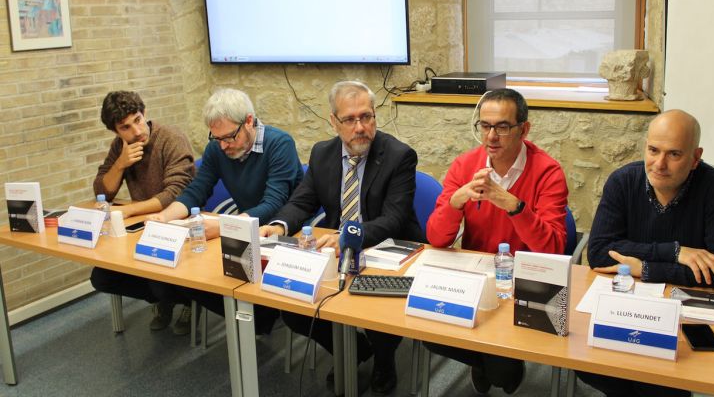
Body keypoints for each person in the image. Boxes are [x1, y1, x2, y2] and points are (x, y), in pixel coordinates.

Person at [259, 80, 425, 394]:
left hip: (390, 250)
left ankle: (383, 359)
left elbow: (393, 219)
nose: (360, 127)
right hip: (337, 251)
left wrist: (349, 236)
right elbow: (302, 201)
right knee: (295, 310)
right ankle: (351, 350)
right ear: (334, 122)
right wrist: (279, 226)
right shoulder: (323, 153)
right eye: (350, 119)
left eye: (367, 116)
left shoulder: (399, 155)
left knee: (374, 311)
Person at [578, 109, 714, 397]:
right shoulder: (623, 182)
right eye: (653, 150)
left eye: (674, 154)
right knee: (589, 362)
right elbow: (599, 252)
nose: (659, 164)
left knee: (666, 380)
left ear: (695, 158)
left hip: (681, 314)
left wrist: (644, 268)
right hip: (627, 303)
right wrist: (675, 252)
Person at [425, 88, 569, 395]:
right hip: (477, 276)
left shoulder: (548, 171)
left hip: (526, 281)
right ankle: (487, 358)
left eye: (502, 127)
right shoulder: (465, 165)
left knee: (503, 374)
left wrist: (514, 206)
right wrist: (457, 201)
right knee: (428, 331)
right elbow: (436, 237)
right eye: (485, 126)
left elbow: (554, 248)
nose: (491, 136)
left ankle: (496, 360)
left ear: (523, 129)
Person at [149, 88, 304, 335]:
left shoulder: (279, 143)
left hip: (283, 229)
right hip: (244, 229)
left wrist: (224, 226)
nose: (223, 145)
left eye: (229, 137)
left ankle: (264, 317)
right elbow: (196, 191)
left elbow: (274, 203)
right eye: (216, 138)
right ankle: (255, 317)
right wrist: (163, 217)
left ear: (249, 122)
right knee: (189, 277)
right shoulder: (217, 149)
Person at [90, 90, 195, 332]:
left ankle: (188, 300)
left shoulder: (171, 138)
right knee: (101, 278)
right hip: (142, 226)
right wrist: (120, 164)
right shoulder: (120, 147)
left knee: (158, 281)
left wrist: (129, 211)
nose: (136, 132)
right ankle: (163, 298)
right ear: (116, 131)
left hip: (177, 222)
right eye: (125, 127)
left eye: (137, 120)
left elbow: (175, 193)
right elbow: (102, 192)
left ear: (144, 113)